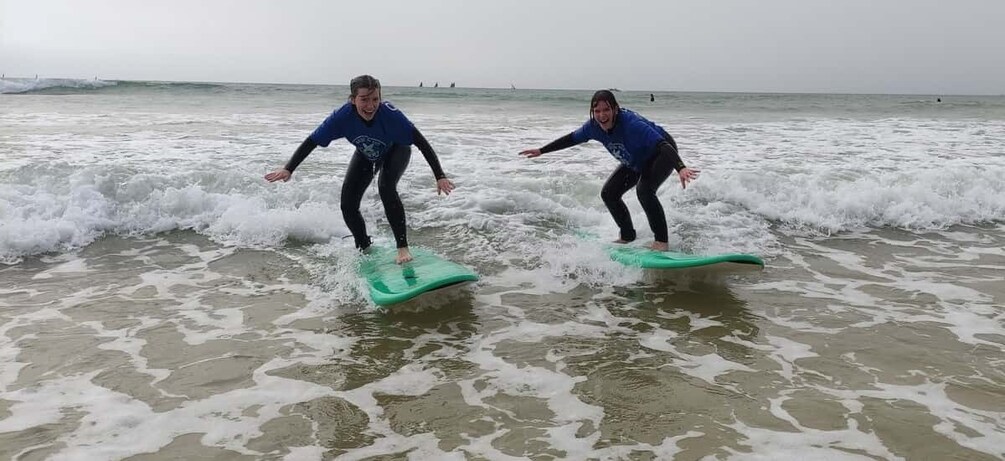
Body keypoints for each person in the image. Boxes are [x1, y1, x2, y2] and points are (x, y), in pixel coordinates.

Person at [265, 75, 454, 264]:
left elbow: (421, 142)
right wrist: (289, 168)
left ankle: (402, 248)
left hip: (396, 149)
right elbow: (312, 141)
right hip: (366, 152)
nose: (370, 105)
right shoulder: (341, 117)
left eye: (375, 99)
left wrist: (440, 176)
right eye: (364, 99)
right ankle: (364, 246)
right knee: (347, 204)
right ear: (353, 99)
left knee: (386, 188)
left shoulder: (392, 116)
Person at [519, 90, 699, 252]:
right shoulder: (593, 127)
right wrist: (542, 150)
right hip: (635, 158)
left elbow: (662, 144)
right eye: (597, 111)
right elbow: (571, 139)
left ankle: (661, 242)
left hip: (662, 153)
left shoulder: (631, 124)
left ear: (615, 109)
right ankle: (627, 236)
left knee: (644, 191)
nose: (601, 115)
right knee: (609, 193)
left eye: (606, 110)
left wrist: (680, 167)